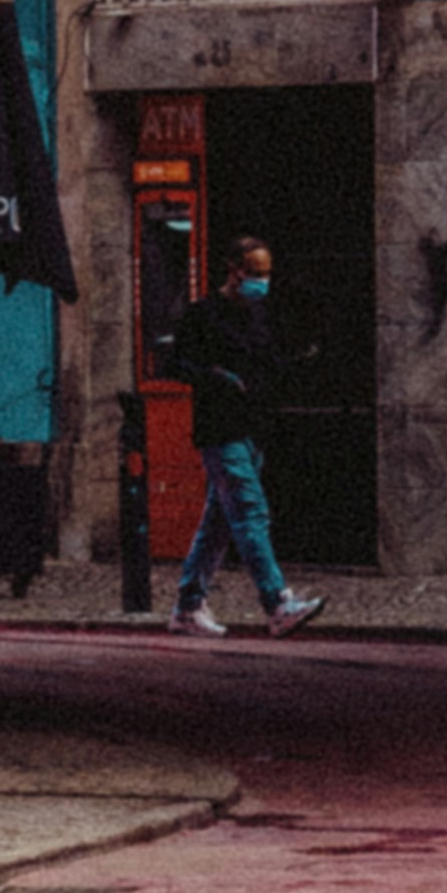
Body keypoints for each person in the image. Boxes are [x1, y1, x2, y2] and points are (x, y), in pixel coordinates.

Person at [170, 235, 324, 638]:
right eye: (253, 272)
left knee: (220, 521)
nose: (260, 280)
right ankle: (276, 602)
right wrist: (214, 378)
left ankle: (188, 606)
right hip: (220, 429)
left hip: (253, 426)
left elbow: (268, 363)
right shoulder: (203, 314)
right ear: (233, 270)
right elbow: (174, 363)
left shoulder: (258, 314)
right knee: (250, 512)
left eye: (265, 273)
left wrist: (293, 366)